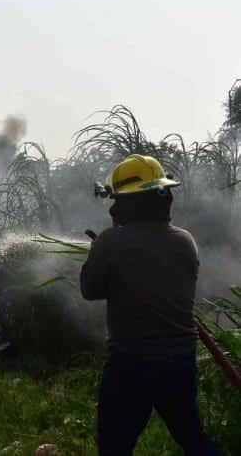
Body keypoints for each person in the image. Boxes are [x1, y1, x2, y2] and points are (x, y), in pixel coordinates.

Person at [81, 154, 221, 455]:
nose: (113, 207)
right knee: (193, 439)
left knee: (114, 448)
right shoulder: (185, 241)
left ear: (129, 203)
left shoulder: (110, 242)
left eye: (118, 200)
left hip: (131, 364)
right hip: (179, 362)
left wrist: (98, 253)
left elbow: (90, 290)